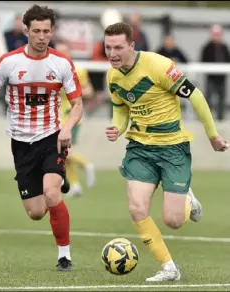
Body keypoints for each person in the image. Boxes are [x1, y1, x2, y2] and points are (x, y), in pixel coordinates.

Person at [104, 22, 229, 282]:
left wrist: (213, 135)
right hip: (139, 147)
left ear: (131, 45)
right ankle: (169, 267)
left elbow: (195, 96)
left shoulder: (158, 65)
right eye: (108, 47)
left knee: (173, 220)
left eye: (118, 47)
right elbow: (121, 108)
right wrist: (117, 128)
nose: (112, 53)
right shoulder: (112, 76)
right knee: (137, 208)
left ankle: (187, 198)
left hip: (172, 147)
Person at [0, 5, 83, 271]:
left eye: (47, 31)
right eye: (36, 31)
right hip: (20, 143)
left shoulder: (62, 63)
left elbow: (78, 105)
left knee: (52, 194)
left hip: (51, 138)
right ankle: (55, 184)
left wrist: (67, 128)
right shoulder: (8, 62)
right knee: (36, 212)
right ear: (26, 31)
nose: (42, 36)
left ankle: (64, 256)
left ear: (52, 32)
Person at [55, 39, 96, 196]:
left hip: (71, 116)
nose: (61, 54)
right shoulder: (51, 71)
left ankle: (86, 165)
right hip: (56, 116)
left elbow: (89, 92)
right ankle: (75, 185)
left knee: (63, 150)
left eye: (64, 51)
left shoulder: (78, 71)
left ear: (70, 52)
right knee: (64, 151)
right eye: (58, 51)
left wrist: (72, 91)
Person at [200, 24, 230, 120]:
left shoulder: (224, 47)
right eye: (215, 34)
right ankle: (208, 118)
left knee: (222, 98)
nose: (216, 36)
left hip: (221, 77)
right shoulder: (207, 47)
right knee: (209, 98)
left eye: (218, 34)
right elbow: (203, 61)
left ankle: (220, 118)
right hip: (211, 77)